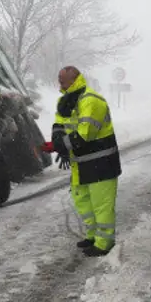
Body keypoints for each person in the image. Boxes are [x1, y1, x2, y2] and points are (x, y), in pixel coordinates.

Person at [50, 66, 121, 256]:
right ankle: (92, 236)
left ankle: (104, 243)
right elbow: (59, 124)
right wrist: (57, 137)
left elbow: (84, 135)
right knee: (84, 201)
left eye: (62, 80)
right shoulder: (66, 101)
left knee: (101, 204)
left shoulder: (91, 100)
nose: (59, 84)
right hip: (81, 163)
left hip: (102, 163)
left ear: (73, 79)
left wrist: (61, 145)